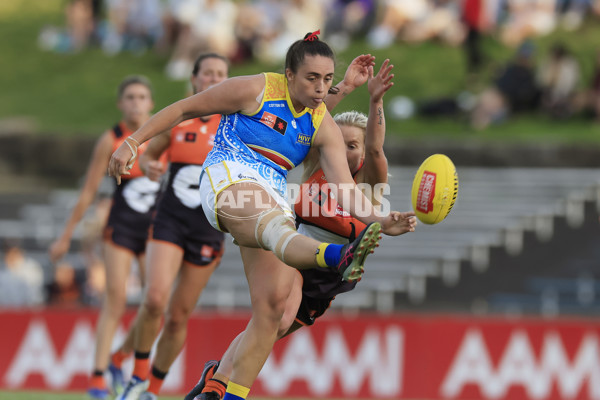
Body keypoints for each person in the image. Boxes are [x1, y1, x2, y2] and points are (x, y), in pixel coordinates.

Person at [108, 31, 416, 400]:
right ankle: (336, 256)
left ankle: (222, 393)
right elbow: (184, 109)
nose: (321, 88)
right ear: (289, 75)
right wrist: (132, 141)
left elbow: (347, 190)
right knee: (273, 224)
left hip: (271, 195)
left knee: (272, 311)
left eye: (328, 79)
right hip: (228, 174)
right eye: (312, 78)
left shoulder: (322, 125)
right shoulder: (256, 89)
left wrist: (381, 222)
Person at [186, 58, 396, 400]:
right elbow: (311, 114)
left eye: (351, 146)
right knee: (275, 319)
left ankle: (215, 375)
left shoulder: (368, 183)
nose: (343, 150)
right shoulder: (319, 163)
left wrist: (375, 101)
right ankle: (217, 388)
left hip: (332, 274)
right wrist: (344, 85)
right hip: (296, 249)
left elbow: (374, 147)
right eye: (339, 143)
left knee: (273, 328)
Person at [114, 53, 229, 400]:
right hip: (170, 219)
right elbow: (152, 154)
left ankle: (154, 390)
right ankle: (137, 378)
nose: (213, 79)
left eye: (221, 74)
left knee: (178, 316)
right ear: (194, 79)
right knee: (154, 299)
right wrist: (149, 165)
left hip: (208, 228)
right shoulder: (180, 119)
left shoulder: (236, 124)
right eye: (207, 73)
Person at [49, 75, 164, 400]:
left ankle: (122, 358)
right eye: (130, 97)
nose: (137, 103)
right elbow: (87, 193)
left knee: (154, 304)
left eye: (142, 97)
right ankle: (97, 379)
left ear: (151, 103)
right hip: (121, 227)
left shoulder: (162, 134)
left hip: (156, 230)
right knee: (114, 299)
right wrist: (65, 235)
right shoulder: (111, 140)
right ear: (120, 103)